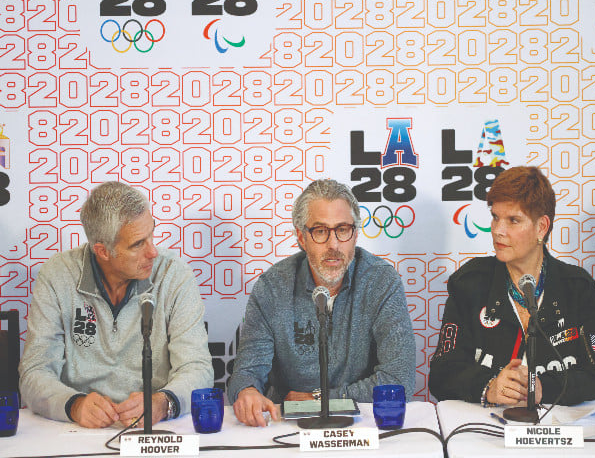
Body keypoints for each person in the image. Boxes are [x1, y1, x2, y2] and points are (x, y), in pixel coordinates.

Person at [19, 182, 213, 428]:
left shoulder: (174, 274)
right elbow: (34, 372)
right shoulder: (57, 276)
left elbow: (198, 367)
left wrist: (164, 403)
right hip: (76, 429)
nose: (153, 251)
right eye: (137, 244)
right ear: (102, 251)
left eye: (151, 234)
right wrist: (73, 405)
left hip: (156, 427)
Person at [227, 179, 415, 427]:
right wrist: (247, 391)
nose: (334, 244)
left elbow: (399, 379)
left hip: (362, 424)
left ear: (355, 234)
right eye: (320, 231)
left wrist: (319, 399)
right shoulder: (272, 287)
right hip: (289, 425)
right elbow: (247, 371)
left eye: (343, 229)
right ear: (301, 238)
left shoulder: (381, 281)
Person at [429, 166, 595, 406]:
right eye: (495, 216)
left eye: (513, 220)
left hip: (560, 432)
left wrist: (542, 388)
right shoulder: (470, 284)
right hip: (485, 434)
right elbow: (441, 374)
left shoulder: (579, 289)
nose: (497, 230)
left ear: (541, 227)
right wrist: (488, 387)